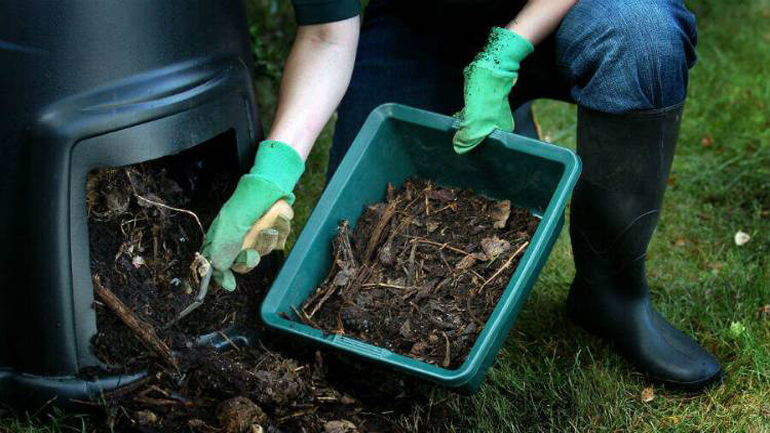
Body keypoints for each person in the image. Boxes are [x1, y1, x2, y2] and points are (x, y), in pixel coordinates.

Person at [201, 0, 722, 391]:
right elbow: (324, 37)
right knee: (360, 243)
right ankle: (506, 124)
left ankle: (612, 297)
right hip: (417, 26)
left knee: (643, 35)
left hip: (554, 13)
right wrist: (274, 170)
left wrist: (506, 50)